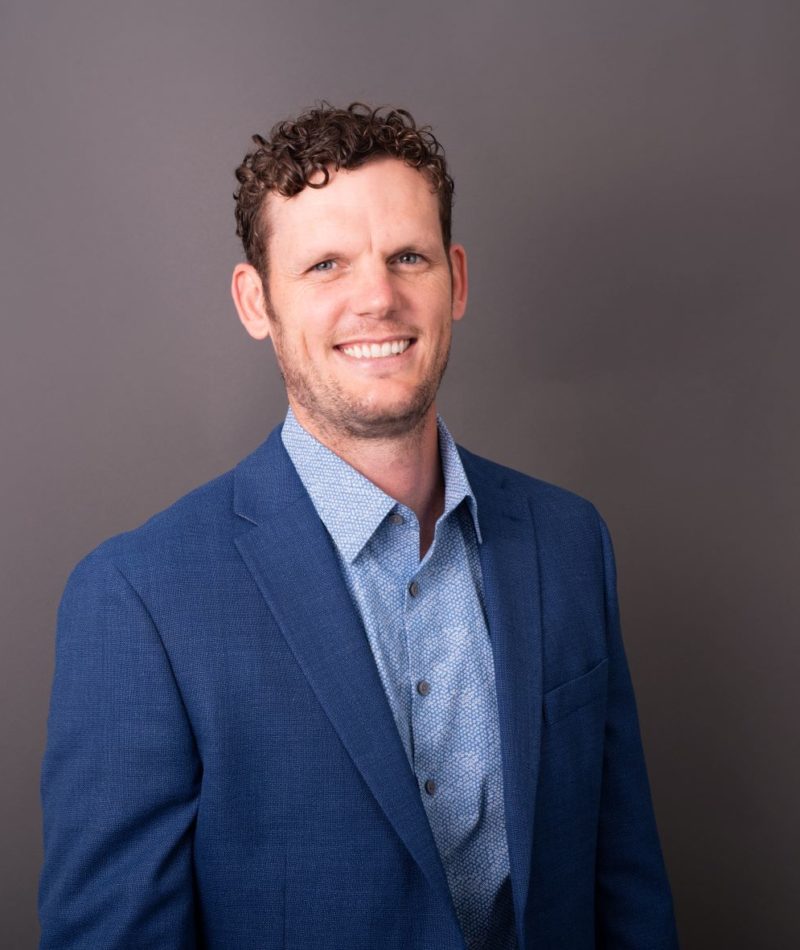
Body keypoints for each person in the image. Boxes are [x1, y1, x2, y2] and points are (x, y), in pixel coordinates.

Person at [39, 103, 679, 949]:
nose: (376, 297)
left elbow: (625, 894)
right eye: (326, 265)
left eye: (406, 256)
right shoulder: (139, 599)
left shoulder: (568, 544)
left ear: (455, 279)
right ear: (255, 300)